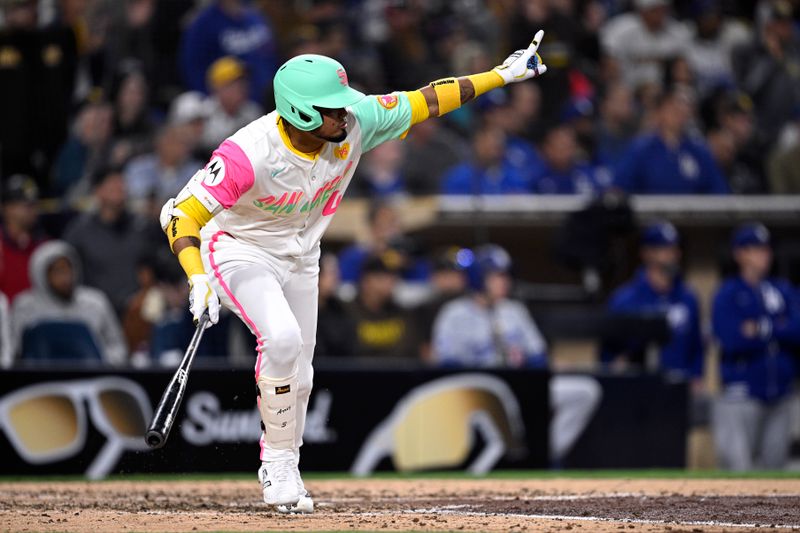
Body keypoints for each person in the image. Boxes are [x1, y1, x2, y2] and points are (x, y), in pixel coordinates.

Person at [158, 37, 548, 510]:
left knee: (300, 368)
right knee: (280, 340)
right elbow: (181, 215)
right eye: (333, 109)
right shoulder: (249, 152)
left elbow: (428, 99)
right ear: (300, 112)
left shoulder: (357, 120)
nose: (346, 115)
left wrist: (501, 75)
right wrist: (197, 277)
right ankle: (277, 468)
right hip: (239, 249)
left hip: (302, 254)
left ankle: (287, 466)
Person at [432, 244, 601, 465]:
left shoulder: (513, 311)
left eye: (505, 276)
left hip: (519, 385)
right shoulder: (454, 314)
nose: (505, 281)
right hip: (479, 391)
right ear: (477, 278)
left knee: (585, 392)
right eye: (497, 276)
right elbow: (447, 362)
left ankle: (547, 455)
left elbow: (537, 354)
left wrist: (530, 365)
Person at [711, 224, 800, 470]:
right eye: (755, 249)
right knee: (737, 471)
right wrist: (780, 327)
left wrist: (761, 329)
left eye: (766, 248)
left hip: (780, 394)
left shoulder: (781, 289)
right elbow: (731, 338)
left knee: (774, 476)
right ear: (739, 253)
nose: (764, 254)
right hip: (742, 393)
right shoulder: (728, 293)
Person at [601, 222, 704, 381]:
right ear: (647, 253)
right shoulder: (624, 299)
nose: (671, 255)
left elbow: (697, 346)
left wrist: (697, 376)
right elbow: (608, 352)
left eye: (674, 249)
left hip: (679, 386)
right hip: (638, 388)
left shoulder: (687, 297)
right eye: (664, 249)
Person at [11, 240, 127, 366]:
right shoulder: (25, 306)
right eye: (57, 271)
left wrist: (101, 362)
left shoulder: (96, 302)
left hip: (92, 378)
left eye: (68, 269)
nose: (65, 278)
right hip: (40, 380)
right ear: (41, 275)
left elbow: (118, 346)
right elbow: (16, 350)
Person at [63, 166, 157, 316]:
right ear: (97, 190)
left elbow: (154, 266)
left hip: (138, 313)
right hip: (94, 312)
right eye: (112, 183)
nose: (119, 187)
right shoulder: (79, 231)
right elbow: (69, 272)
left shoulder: (141, 226)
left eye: (121, 182)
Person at [614, 87, 729, 194]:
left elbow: (718, 191)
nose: (680, 111)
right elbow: (619, 187)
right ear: (660, 111)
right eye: (673, 106)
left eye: (684, 106)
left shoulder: (699, 151)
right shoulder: (641, 149)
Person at [179, 0, 278, 105]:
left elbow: (271, 56)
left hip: (266, 101)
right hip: (225, 109)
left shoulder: (256, 17)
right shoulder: (203, 25)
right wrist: (212, 102)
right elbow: (193, 69)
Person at [345, 255, 419, 359]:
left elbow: (411, 352)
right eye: (382, 277)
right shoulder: (345, 312)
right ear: (365, 281)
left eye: (394, 277)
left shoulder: (403, 314)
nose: (391, 282)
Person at [201, 56, 264, 154]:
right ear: (217, 88)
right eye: (233, 83)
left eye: (242, 82)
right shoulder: (202, 113)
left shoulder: (252, 111)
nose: (241, 87)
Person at [0, 175, 46, 303]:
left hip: (36, 317)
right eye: (24, 205)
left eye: (33, 205)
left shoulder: (45, 246)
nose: (31, 210)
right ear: (6, 208)